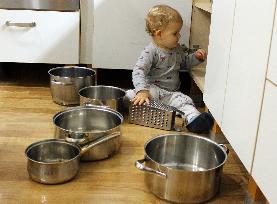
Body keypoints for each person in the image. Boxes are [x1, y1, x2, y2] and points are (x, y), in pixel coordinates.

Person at [126, 4, 213, 133]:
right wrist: (142, 91)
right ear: (159, 34)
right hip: (153, 91)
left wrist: (196, 58)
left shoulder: (177, 49)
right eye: (175, 33)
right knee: (132, 95)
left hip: (171, 94)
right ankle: (122, 103)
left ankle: (194, 120)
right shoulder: (151, 51)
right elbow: (139, 71)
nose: (179, 36)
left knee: (185, 101)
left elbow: (184, 62)